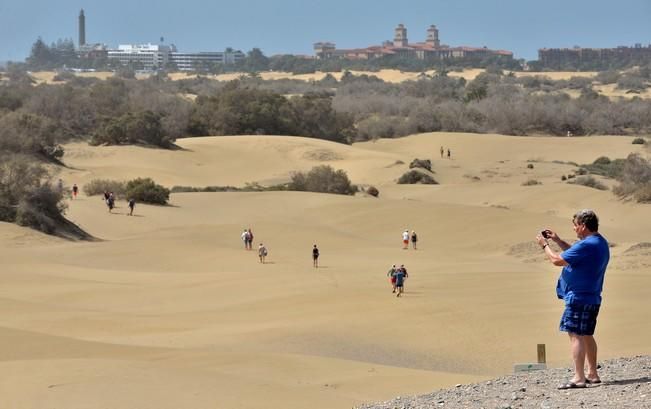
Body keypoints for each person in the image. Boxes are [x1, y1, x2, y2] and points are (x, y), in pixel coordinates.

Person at [536, 209, 610, 390]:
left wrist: (545, 245)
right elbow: (574, 254)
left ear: (583, 226)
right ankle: (592, 374)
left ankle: (579, 378)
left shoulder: (587, 245)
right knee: (586, 334)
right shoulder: (598, 242)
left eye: (575, 225)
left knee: (575, 334)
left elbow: (556, 260)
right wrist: (558, 240)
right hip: (591, 296)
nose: (574, 228)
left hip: (579, 297)